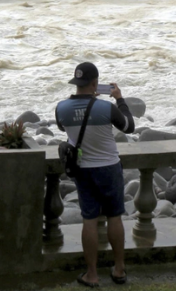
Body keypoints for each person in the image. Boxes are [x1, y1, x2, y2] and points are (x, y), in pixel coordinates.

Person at [55, 62, 135, 287]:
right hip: (109, 168)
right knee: (114, 217)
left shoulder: (61, 108)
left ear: (76, 82)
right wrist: (119, 99)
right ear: (95, 84)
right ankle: (119, 269)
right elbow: (129, 126)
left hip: (83, 170)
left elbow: (63, 129)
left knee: (89, 220)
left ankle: (91, 274)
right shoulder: (106, 108)